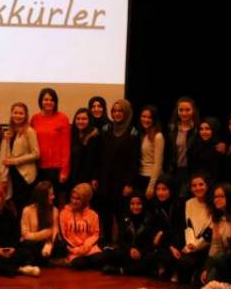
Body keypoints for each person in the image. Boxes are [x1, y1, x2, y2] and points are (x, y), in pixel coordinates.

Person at [95, 99, 139, 245]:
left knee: (121, 215)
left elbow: (135, 161)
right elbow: (99, 156)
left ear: (126, 112)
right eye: (114, 111)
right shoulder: (106, 129)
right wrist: (96, 177)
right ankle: (107, 243)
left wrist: (129, 184)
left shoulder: (133, 132)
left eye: (120, 111)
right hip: (105, 180)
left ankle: (122, 246)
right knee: (105, 214)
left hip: (122, 182)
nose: (117, 113)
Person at [0, 184, 37, 277]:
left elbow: (16, 235)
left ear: (2, 198)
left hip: (9, 250)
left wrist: (12, 248)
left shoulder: (9, 214)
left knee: (27, 251)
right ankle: (19, 269)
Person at [30, 88, 70, 198]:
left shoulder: (62, 118)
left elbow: (66, 147)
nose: (49, 102)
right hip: (38, 167)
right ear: (40, 101)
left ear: (55, 102)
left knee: (53, 200)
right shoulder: (35, 118)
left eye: (52, 100)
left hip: (56, 169)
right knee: (40, 200)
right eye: (46, 99)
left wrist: (64, 171)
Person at [103, 195, 156, 276]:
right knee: (109, 254)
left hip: (143, 253)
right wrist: (130, 249)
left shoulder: (150, 219)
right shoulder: (125, 218)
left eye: (138, 204)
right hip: (128, 252)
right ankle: (136, 269)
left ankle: (123, 270)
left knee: (151, 258)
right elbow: (121, 240)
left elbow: (151, 242)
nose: (135, 207)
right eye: (132, 204)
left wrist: (140, 252)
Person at [175, 174, 212, 286]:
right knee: (183, 264)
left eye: (201, 184)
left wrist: (195, 246)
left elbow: (210, 231)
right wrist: (190, 244)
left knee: (199, 282)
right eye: (194, 185)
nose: (198, 188)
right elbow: (188, 225)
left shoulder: (212, 203)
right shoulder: (189, 203)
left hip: (207, 247)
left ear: (207, 186)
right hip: (193, 245)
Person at [2, 102, 39, 211]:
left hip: (25, 176)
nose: (18, 116)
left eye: (21, 113)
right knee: (15, 206)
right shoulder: (10, 132)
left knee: (24, 207)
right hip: (13, 174)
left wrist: (14, 161)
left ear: (26, 115)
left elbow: (36, 154)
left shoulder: (29, 131)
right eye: (15, 113)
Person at [59, 183, 103, 270]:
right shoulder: (64, 213)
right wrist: (77, 249)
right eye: (72, 198)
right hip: (73, 249)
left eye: (78, 199)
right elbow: (63, 236)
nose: (74, 201)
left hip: (89, 248)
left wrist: (85, 247)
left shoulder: (93, 215)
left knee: (99, 260)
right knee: (79, 264)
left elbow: (95, 234)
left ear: (85, 200)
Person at [150, 175, 184, 280]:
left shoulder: (179, 204)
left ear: (171, 190)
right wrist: (167, 242)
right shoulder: (154, 206)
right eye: (158, 189)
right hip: (164, 244)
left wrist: (163, 234)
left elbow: (180, 229)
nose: (160, 193)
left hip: (178, 242)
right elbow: (154, 233)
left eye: (164, 189)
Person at [166, 96, 199, 199]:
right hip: (174, 171)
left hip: (190, 172)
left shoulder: (198, 130)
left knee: (185, 198)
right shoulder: (171, 129)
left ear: (193, 111)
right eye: (181, 110)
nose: (184, 113)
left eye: (187, 110)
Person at [20, 181, 60, 266]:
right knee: (27, 245)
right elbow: (25, 235)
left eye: (53, 194)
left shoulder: (55, 210)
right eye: (50, 195)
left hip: (47, 244)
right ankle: (45, 261)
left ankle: (40, 260)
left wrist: (49, 245)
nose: (53, 197)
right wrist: (45, 233)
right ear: (42, 196)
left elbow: (54, 233)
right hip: (33, 243)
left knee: (61, 245)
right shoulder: (27, 210)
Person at [67, 108, 100, 191]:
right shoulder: (72, 134)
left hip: (87, 177)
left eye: (84, 119)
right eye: (78, 119)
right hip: (72, 176)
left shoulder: (95, 136)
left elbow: (97, 160)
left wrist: (94, 177)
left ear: (89, 120)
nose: (80, 121)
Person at [137, 105, 165, 200]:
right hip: (140, 176)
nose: (146, 119)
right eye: (144, 116)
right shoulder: (143, 134)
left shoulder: (158, 136)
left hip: (150, 178)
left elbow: (158, 164)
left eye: (149, 117)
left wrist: (151, 186)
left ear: (154, 120)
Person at [188, 117, 223, 181]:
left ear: (214, 130)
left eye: (207, 129)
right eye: (201, 129)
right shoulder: (195, 144)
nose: (204, 132)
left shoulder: (219, 146)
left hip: (214, 181)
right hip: (196, 181)